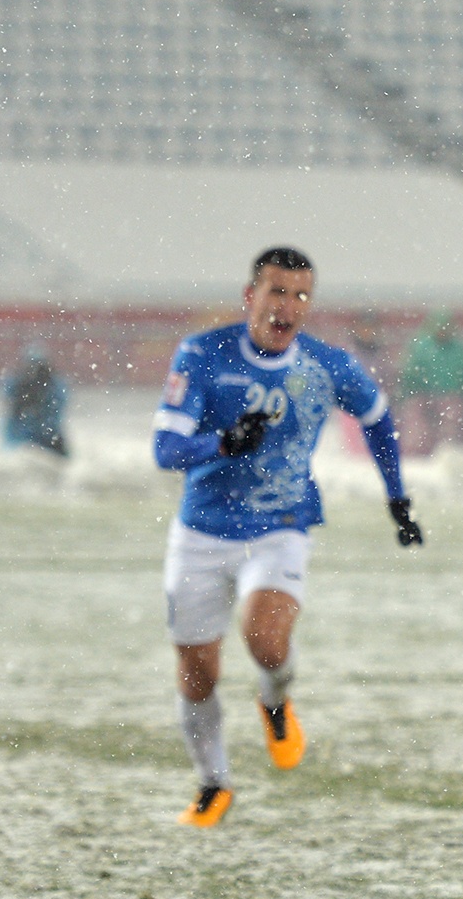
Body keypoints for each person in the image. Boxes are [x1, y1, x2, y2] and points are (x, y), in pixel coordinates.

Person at [151, 247, 422, 828]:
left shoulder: (326, 365)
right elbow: (165, 449)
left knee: (267, 641)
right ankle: (213, 783)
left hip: (282, 526)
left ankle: (274, 699)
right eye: (277, 292)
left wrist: (396, 497)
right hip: (202, 532)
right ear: (250, 296)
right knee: (198, 673)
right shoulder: (203, 355)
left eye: (300, 296)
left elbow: (377, 418)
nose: (288, 307)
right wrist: (222, 443)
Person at [397, 310, 463, 455]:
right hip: (423, 395)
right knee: (416, 419)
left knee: (452, 418)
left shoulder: (457, 349)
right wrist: (409, 392)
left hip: (450, 396)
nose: (442, 330)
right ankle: (416, 452)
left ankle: (447, 450)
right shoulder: (421, 347)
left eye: (446, 326)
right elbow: (409, 373)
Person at [1, 343, 70, 457]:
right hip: (20, 439)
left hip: (46, 439)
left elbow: (55, 414)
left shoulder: (54, 387)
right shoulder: (17, 385)